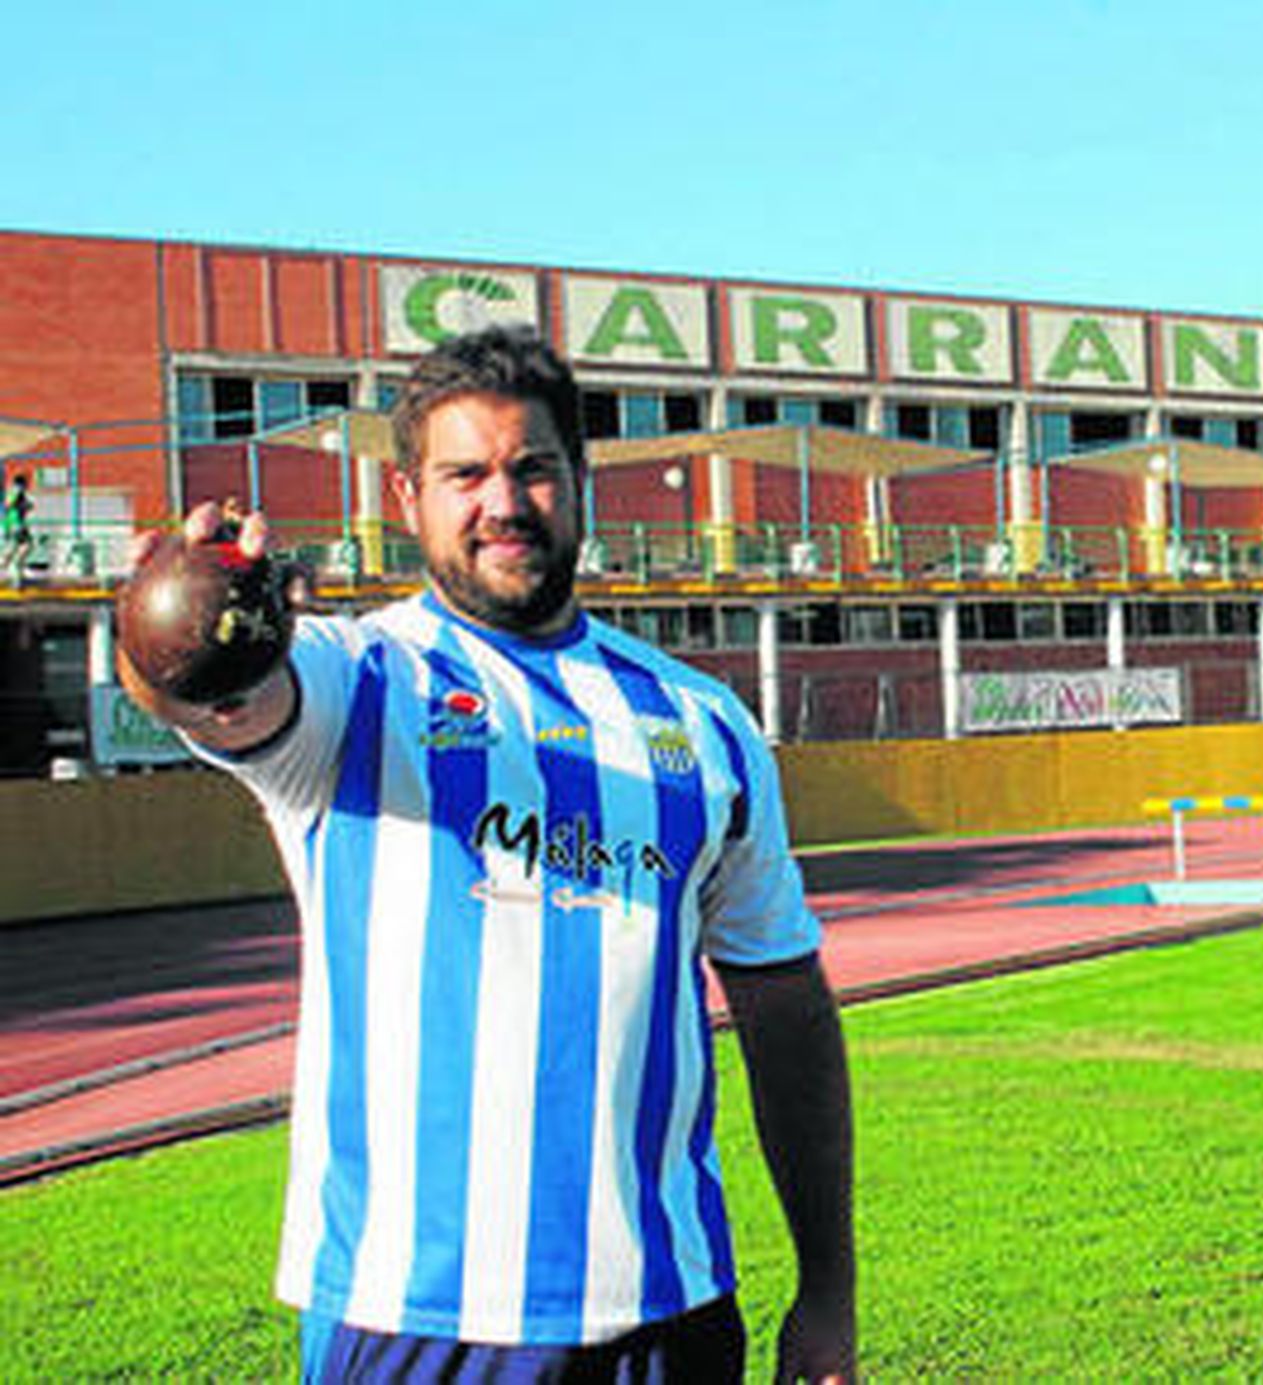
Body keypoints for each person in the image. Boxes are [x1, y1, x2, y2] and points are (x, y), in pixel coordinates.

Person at [116, 325, 856, 1383]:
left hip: (667, 1309)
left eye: (533, 469)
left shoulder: (707, 723)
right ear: (407, 496)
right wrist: (165, 638)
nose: (502, 502)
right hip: (411, 1318)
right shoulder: (353, 683)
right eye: (465, 473)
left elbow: (783, 998)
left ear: (580, 483)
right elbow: (223, 699)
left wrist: (828, 1293)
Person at [3, 472, 33, 576]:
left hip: (11, 523)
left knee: (16, 546)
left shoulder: (14, 492)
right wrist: (26, 505)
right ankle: (16, 564)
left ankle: (8, 564)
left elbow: (8, 506)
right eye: (25, 484)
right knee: (26, 545)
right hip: (16, 523)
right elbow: (9, 504)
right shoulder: (17, 491)